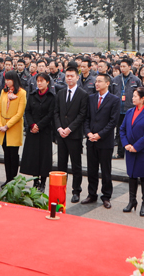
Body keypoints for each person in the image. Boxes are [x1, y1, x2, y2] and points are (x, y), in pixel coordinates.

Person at [82, 73, 120, 208]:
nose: (96, 83)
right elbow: (86, 118)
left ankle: (106, 196)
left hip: (105, 141)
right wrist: (88, 133)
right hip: (91, 140)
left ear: (107, 83)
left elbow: (113, 122)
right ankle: (91, 194)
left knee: (105, 170)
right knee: (91, 170)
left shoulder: (114, 100)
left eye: (99, 81)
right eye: (96, 81)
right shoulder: (91, 98)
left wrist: (99, 135)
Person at [54, 65, 89, 203]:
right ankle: (60, 189)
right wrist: (59, 128)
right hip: (61, 134)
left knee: (76, 164)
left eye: (71, 76)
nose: (69, 78)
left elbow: (82, 115)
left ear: (77, 77)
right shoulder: (60, 93)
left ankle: (76, 191)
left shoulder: (83, 94)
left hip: (74, 135)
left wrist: (69, 129)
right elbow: (56, 112)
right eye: (67, 76)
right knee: (61, 164)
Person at [121, 87, 144, 217]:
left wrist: (136, 146)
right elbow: (122, 129)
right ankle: (132, 201)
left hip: (143, 151)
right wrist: (126, 144)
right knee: (132, 175)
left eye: (135, 96)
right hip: (130, 149)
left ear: (142, 98)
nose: (133, 98)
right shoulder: (130, 112)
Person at [20, 73, 55, 193]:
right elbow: (27, 111)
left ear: (47, 82)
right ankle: (35, 181)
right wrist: (32, 125)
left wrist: (39, 126)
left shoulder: (52, 97)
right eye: (38, 81)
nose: (39, 83)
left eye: (42, 81)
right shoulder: (32, 95)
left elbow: (51, 114)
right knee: (33, 156)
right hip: (32, 131)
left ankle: (43, 182)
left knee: (44, 157)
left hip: (44, 131)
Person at [0, 70, 27, 187]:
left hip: (13, 127)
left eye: (9, 79)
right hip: (2, 128)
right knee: (6, 155)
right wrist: (0, 125)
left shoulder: (21, 93)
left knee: (13, 155)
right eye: (6, 79)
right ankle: (8, 178)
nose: (7, 82)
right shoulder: (3, 92)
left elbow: (19, 114)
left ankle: (13, 180)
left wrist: (7, 126)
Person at [112, 58, 141, 159]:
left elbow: (140, 95)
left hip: (131, 109)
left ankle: (131, 151)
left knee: (131, 132)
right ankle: (120, 152)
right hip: (118, 110)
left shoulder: (136, 80)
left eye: (124, 66)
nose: (122, 68)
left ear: (130, 67)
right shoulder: (115, 79)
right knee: (120, 131)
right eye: (121, 66)